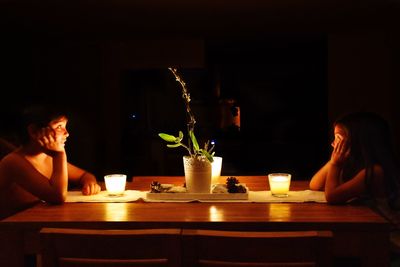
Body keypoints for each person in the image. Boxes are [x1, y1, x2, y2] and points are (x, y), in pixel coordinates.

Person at [0, 104, 101, 219]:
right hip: (12, 232)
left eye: (65, 126)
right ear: (33, 131)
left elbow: (84, 175)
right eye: (59, 127)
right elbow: (57, 196)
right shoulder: (13, 162)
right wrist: (59, 154)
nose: (66, 133)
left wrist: (89, 183)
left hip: (37, 222)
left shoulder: (45, 157)